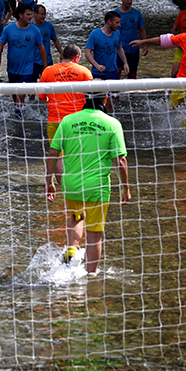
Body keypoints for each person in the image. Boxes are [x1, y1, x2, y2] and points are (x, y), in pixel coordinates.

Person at [45, 92, 131, 276]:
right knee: (94, 234)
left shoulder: (68, 121)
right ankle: (90, 277)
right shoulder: (112, 123)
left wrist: (49, 181)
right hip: (96, 187)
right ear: (105, 99)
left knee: (77, 216)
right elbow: (120, 160)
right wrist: (126, 188)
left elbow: (53, 153)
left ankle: (71, 250)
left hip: (71, 184)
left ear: (84, 98)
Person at [131, 20, 186, 122]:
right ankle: (170, 129)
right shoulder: (184, 38)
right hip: (182, 80)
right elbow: (162, 40)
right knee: (171, 110)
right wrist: (144, 42)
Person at [0, 3, 47, 110]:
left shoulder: (35, 30)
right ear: (20, 15)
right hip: (12, 68)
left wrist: (45, 66)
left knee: (21, 95)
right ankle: (20, 113)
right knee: (14, 94)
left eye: (31, 14)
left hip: (27, 69)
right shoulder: (8, 29)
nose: (31, 17)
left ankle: (19, 117)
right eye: (28, 14)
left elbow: (41, 48)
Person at [37, 43, 93, 140]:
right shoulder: (84, 71)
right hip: (78, 120)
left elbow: (41, 96)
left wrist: (50, 100)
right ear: (76, 57)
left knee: (56, 153)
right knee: (76, 153)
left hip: (54, 120)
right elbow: (92, 96)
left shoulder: (48, 70)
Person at [85, 10, 129, 113]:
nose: (119, 25)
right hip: (98, 73)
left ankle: (110, 119)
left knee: (111, 100)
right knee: (96, 100)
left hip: (112, 72)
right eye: (117, 22)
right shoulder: (95, 34)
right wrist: (97, 65)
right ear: (109, 22)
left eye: (119, 22)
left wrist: (125, 62)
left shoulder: (117, 33)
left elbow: (119, 48)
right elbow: (87, 53)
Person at [114, 0, 147, 78]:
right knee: (117, 72)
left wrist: (145, 44)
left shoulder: (137, 14)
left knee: (132, 75)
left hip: (133, 48)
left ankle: (131, 92)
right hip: (118, 48)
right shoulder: (115, 14)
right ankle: (115, 91)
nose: (130, 1)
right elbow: (110, 31)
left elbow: (141, 30)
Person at [32, 3, 64, 81]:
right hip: (33, 62)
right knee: (31, 87)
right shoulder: (29, 27)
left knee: (49, 85)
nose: (44, 16)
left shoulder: (49, 26)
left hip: (48, 60)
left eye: (45, 14)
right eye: (41, 14)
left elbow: (55, 40)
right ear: (35, 14)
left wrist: (61, 53)